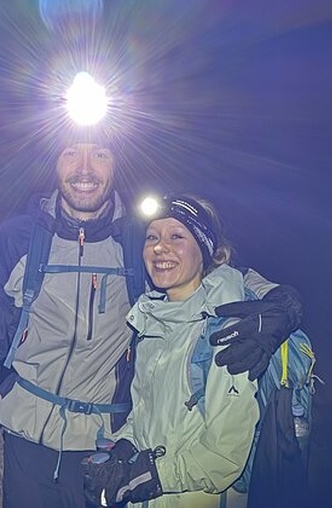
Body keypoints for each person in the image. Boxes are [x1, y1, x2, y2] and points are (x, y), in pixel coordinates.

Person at [0, 138, 303, 508]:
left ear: (116, 163)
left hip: (105, 445)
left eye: (100, 154)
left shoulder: (139, 239)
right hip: (26, 439)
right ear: (52, 161)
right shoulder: (17, 239)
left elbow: (215, 267)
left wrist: (282, 304)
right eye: (70, 152)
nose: (84, 169)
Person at [83, 194, 261, 508]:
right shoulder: (150, 322)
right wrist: (123, 449)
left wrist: (148, 477)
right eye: (152, 237)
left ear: (205, 250)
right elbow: (143, 415)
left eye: (176, 236)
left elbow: (224, 455)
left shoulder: (226, 329)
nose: (159, 247)